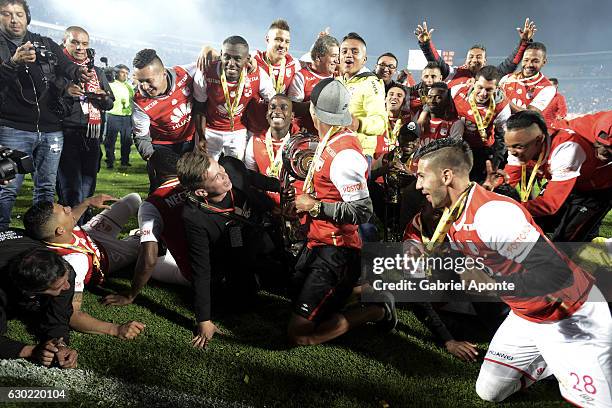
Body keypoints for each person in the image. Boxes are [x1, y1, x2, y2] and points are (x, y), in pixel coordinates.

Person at [414, 137, 611, 407]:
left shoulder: (493, 216)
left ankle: (565, 359)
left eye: (422, 176)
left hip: (570, 317)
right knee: (489, 392)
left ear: (446, 176)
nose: (418, 185)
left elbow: (555, 274)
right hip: (526, 315)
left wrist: (494, 284)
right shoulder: (456, 209)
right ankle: (547, 359)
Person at [288, 78, 396, 346]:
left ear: (314, 111)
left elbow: (363, 211)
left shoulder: (344, 154)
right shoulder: (332, 136)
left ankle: (378, 310)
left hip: (336, 250)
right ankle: (359, 289)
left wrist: (314, 206)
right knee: (293, 294)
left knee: (298, 334)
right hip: (319, 241)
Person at [0, 0, 94, 230]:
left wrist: (78, 71)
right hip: (14, 128)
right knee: (7, 188)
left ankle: (42, 238)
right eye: (6, 14)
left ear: (27, 17)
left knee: (46, 188)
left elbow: (66, 66)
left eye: (19, 14)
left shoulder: (44, 42)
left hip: (52, 130)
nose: (14, 19)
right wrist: (13, 62)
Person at [177, 150, 280, 348]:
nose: (225, 175)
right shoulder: (193, 216)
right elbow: (201, 268)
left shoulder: (231, 168)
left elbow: (254, 179)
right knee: (242, 302)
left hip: (258, 233)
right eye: (217, 177)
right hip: (230, 255)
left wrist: (281, 188)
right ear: (201, 192)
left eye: (221, 169)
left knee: (284, 274)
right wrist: (203, 320)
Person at [23, 194, 145, 340]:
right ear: (60, 230)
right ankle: (136, 237)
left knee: (133, 199)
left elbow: (67, 220)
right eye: (65, 211)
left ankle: (136, 236)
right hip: (105, 256)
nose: (69, 208)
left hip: (89, 233)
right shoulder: (74, 262)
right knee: (146, 244)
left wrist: (87, 202)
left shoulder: (57, 233)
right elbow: (72, 315)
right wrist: (115, 329)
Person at [502, 110, 612, 242]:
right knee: (532, 224)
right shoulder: (525, 142)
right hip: (567, 178)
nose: (607, 150)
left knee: (565, 242)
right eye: (603, 145)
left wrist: (510, 209)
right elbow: (509, 178)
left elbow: (550, 205)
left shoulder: (568, 149)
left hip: (597, 189)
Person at [102, 150, 191, 307]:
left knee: (152, 260)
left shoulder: (152, 204)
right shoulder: (199, 185)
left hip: (200, 274)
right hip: (229, 264)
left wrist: (131, 295)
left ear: (154, 171)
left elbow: (149, 259)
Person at [57, 26, 114, 220]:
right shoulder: (58, 68)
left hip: (92, 134)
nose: (80, 47)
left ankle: (84, 225)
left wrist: (103, 97)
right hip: (66, 132)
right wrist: (66, 91)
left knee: (88, 184)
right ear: (64, 42)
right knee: (70, 187)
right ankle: (74, 226)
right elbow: (46, 100)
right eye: (75, 42)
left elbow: (109, 102)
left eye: (84, 43)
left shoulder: (96, 71)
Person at [0, 232, 77, 368]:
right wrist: (32, 351)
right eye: (60, 286)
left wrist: (59, 344)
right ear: (30, 293)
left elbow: (58, 317)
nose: (68, 286)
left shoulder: (64, 271)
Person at [193, 35, 275, 160]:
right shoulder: (206, 71)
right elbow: (199, 106)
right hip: (210, 130)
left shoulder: (258, 75)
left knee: (236, 172)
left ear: (247, 59)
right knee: (204, 172)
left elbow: (275, 101)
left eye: (237, 59)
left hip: (237, 132)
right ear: (221, 54)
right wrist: (201, 136)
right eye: (227, 57)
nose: (231, 64)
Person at [131, 49, 199, 191]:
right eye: (140, 81)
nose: (144, 87)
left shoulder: (185, 73)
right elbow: (141, 136)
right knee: (164, 190)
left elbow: (212, 63)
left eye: (148, 81)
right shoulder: (139, 101)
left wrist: (208, 50)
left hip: (191, 141)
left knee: (194, 185)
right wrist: (154, 159)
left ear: (163, 73)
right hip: (162, 147)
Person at [414, 18, 536, 87]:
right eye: (471, 56)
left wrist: (524, 42)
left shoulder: (492, 74)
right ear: (466, 59)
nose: (474, 59)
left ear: (485, 61)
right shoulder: (454, 73)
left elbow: (511, 63)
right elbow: (436, 62)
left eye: (478, 57)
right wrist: (426, 44)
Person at [451, 65, 510, 182]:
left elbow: (503, 138)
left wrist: (495, 163)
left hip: (483, 151)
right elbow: (437, 95)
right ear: (473, 82)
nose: (483, 93)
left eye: (489, 90)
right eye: (480, 87)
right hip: (458, 148)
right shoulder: (456, 91)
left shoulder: (502, 108)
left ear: (497, 88)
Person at [246, 19, 300, 137]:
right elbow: (229, 56)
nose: (282, 45)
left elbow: (317, 67)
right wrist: (208, 50)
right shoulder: (254, 59)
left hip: (280, 132)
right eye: (278, 39)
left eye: (287, 41)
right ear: (267, 39)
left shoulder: (294, 64)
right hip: (252, 131)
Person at [338, 32, 387, 160]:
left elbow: (381, 123)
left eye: (355, 51)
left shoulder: (371, 83)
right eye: (344, 51)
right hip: (336, 149)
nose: (348, 54)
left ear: (364, 59)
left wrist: (358, 124)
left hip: (358, 154)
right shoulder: (338, 82)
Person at [288, 34, 339, 135]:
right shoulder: (302, 76)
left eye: (338, 56)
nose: (337, 61)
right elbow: (293, 108)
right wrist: (318, 103)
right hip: (307, 137)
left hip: (331, 136)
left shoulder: (339, 76)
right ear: (318, 57)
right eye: (333, 56)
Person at [499, 42, 556, 121]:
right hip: (501, 130)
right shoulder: (506, 79)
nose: (529, 64)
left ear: (543, 62)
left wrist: (504, 100)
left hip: (525, 131)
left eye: (535, 61)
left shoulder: (548, 88)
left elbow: (530, 115)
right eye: (526, 60)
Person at [104, 64, 134, 169]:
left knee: (126, 141)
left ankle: (125, 161)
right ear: (116, 74)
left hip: (127, 116)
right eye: (122, 72)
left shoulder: (129, 86)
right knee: (110, 140)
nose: (125, 75)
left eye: (126, 73)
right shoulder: (111, 84)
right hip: (113, 115)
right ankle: (110, 161)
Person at [417, 82, 464, 148]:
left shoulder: (455, 124)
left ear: (447, 101)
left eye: (438, 97)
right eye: (430, 97)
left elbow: (452, 151)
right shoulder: (420, 121)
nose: (432, 101)